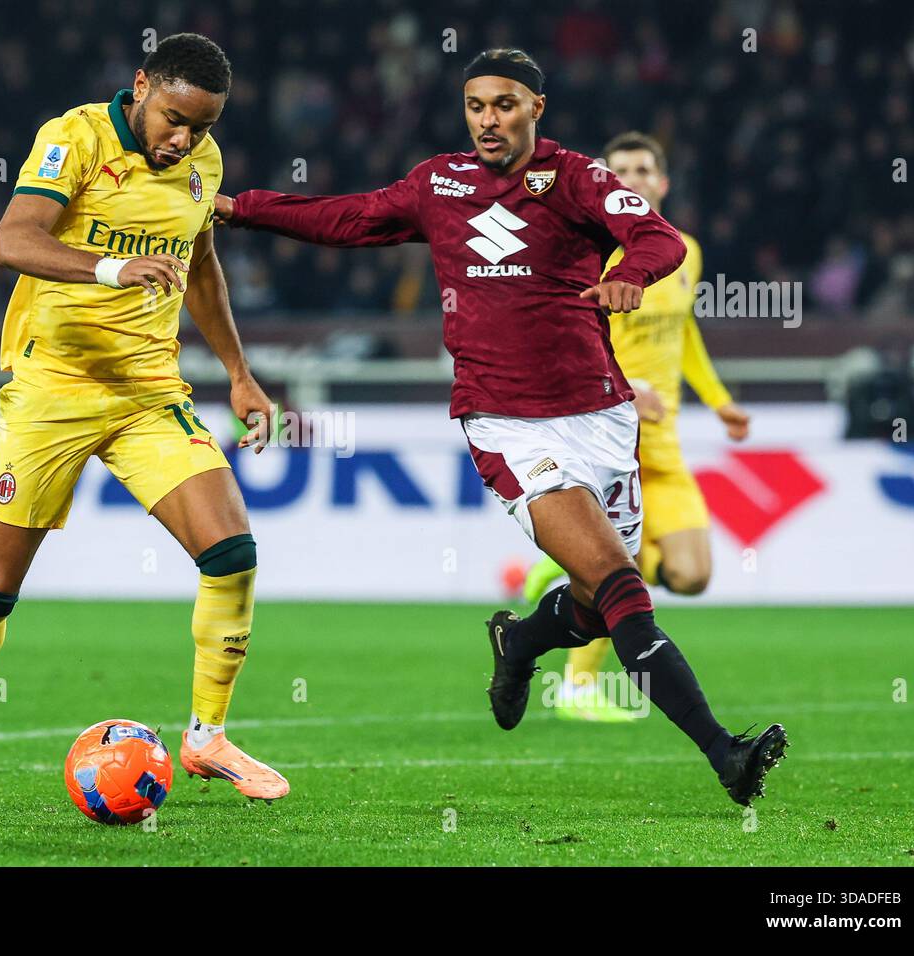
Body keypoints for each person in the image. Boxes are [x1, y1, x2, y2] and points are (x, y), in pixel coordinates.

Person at [215, 49, 786, 805]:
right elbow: (344, 218)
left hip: (602, 418)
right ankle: (726, 754)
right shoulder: (438, 184)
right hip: (509, 426)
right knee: (622, 590)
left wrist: (629, 275)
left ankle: (520, 641)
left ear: (535, 110)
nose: (489, 119)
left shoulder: (577, 178)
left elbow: (660, 240)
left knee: (590, 610)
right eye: (477, 105)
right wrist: (235, 207)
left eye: (505, 105)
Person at [0, 33, 289, 817]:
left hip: (145, 389)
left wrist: (238, 372)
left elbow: (198, 264)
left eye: (201, 126)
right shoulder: (76, 138)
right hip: (52, 388)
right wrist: (110, 267)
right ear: (140, 87)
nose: (184, 140)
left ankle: (207, 735)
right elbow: (11, 240)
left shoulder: (205, 165)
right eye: (173, 119)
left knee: (232, 551)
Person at [519, 131, 751, 722]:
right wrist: (625, 385)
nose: (633, 178)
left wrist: (718, 399)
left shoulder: (682, 251)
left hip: (664, 442)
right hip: (606, 430)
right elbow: (556, 338)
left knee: (693, 575)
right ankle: (577, 686)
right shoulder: (583, 253)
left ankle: (563, 568)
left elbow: (684, 332)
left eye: (644, 168)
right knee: (612, 570)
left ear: (662, 183)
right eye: (619, 169)